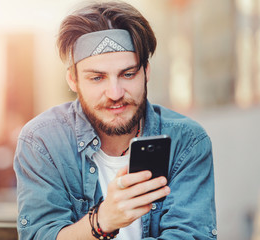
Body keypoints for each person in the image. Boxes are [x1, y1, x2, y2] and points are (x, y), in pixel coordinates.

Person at [13, 1, 217, 239]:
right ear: (73, 79)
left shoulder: (187, 141)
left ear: (146, 72)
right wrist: (103, 221)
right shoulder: (42, 141)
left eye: (128, 74)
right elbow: (40, 235)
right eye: (97, 78)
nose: (115, 93)